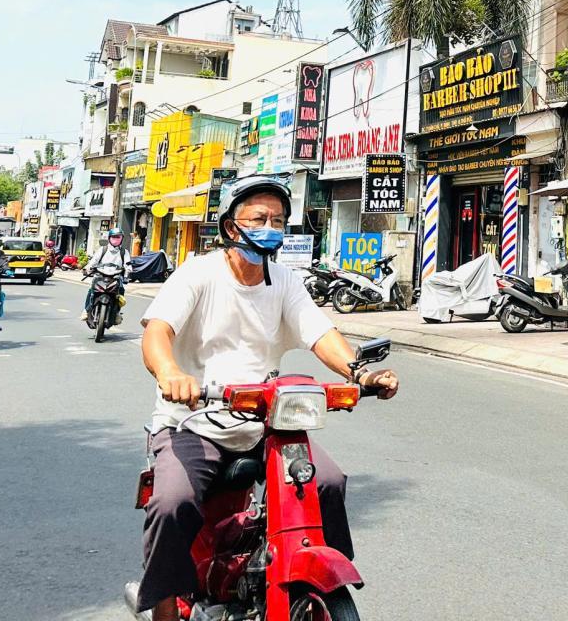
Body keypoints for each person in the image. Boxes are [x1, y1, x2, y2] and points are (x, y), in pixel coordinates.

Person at [132, 175, 399, 621]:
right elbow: (157, 331)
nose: (270, 226)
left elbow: (320, 333)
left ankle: (309, 579)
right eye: (259, 217)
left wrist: (359, 372)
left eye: (277, 219)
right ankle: (163, 606)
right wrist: (171, 372)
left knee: (327, 482)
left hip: (263, 420)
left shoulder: (285, 281)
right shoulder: (198, 274)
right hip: (193, 422)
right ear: (231, 226)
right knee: (171, 503)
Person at [80, 228, 131, 321]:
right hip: (101, 275)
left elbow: (128, 265)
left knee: (121, 290)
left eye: (118, 237)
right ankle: (86, 310)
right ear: (109, 238)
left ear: (122, 238)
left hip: (116, 276)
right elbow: (93, 261)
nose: (116, 239)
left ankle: (116, 313)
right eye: (113, 237)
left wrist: (128, 273)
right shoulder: (102, 250)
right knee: (91, 291)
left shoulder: (124, 252)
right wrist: (87, 268)